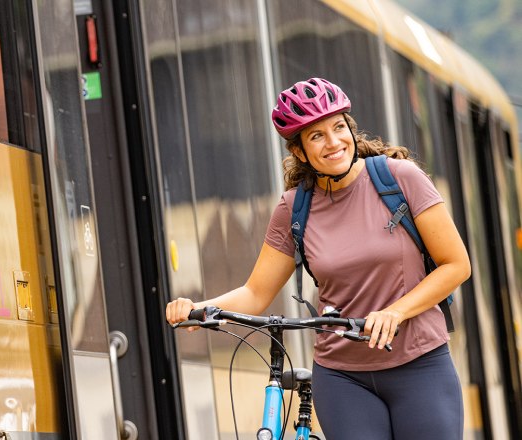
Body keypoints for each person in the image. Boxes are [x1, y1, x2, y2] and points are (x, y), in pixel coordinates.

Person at [165, 78, 470, 439]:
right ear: (298, 151)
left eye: (339, 128)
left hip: (419, 363)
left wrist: (396, 311)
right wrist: (198, 308)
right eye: (316, 136)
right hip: (342, 377)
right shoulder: (295, 208)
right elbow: (256, 293)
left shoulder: (400, 179)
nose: (334, 143)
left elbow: (456, 265)